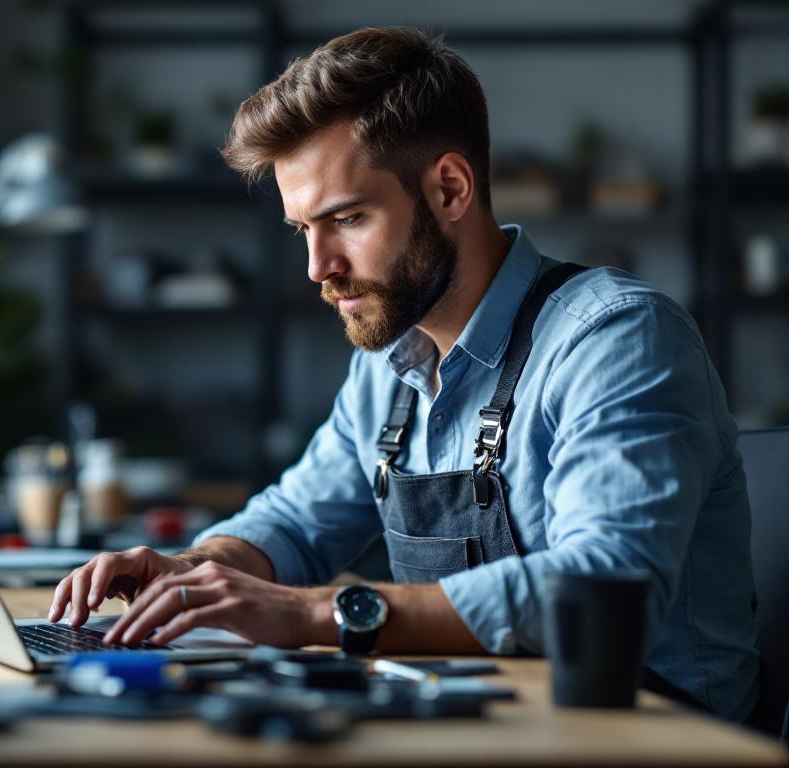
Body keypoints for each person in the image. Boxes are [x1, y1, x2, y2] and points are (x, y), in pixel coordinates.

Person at [47, 27, 759, 721]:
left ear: (450, 189)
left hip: (648, 738)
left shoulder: (614, 337)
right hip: (483, 722)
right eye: (304, 230)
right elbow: (296, 521)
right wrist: (195, 572)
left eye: (347, 219)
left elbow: (606, 586)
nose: (317, 267)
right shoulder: (390, 364)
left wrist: (313, 612)